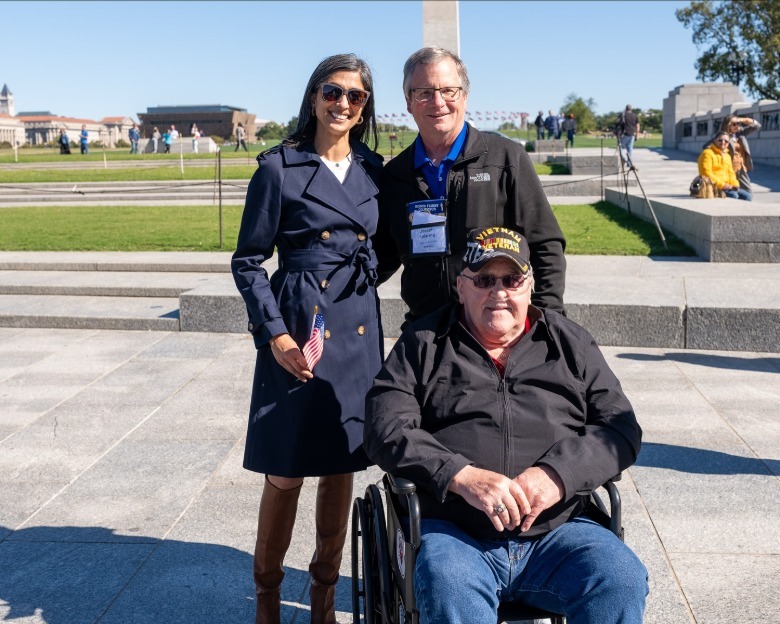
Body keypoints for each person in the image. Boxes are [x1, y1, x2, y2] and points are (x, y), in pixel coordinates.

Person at [364, 226, 648, 624]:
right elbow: (384, 427)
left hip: (559, 531)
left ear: (528, 285)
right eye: (483, 280)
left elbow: (620, 428)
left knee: (619, 578)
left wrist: (557, 475)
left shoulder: (569, 343)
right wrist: (461, 475)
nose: (499, 292)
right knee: (449, 583)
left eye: (511, 279)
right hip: (455, 530)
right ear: (461, 286)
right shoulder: (424, 343)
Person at [231, 53, 384, 624]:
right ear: (314, 96)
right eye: (333, 91)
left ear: (365, 108)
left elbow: (384, 245)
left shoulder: (373, 169)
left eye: (356, 96)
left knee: (341, 462)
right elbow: (248, 261)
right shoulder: (280, 167)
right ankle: (267, 599)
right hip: (300, 326)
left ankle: (324, 599)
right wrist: (274, 335)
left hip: (357, 323)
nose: (343, 103)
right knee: (288, 463)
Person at [374, 46, 566, 329]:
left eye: (448, 90)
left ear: (464, 95)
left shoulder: (506, 158)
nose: (437, 102)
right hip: (426, 332)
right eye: (424, 92)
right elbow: (379, 259)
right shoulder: (396, 175)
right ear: (408, 101)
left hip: (494, 332)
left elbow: (545, 246)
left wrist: (548, 323)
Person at [698, 130, 751, 200]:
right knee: (734, 196)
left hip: (728, 186)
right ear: (715, 140)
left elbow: (731, 173)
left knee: (747, 196)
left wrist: (735, 184)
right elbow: (706, 174)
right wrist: (723, 185)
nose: (723, 142)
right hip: (712, 186)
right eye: (720, 140)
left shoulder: (727, 156)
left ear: (728, 143)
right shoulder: (707, 153)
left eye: (726, 141)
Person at [720, 114, 761, 195]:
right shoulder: (722, 136)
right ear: (727, 125)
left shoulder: (741, 133)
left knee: (748, 193)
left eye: (738, 123)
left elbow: (757, 126)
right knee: (732, 193)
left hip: (742, 168)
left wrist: (741, 119)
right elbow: (707, 146)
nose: (737, 126)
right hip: (729, 169)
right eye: (734, 124)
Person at [616, 105, 640, 171]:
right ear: (631, 109)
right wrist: (637, 135)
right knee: (630, 149)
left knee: (620, 148)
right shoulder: (635, 116)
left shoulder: (622, 115)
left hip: (624, 134)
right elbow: (638, 126)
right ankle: (629, 163)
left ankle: (625, 159)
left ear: (626, 109)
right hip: (632, 134)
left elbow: (617, 124)